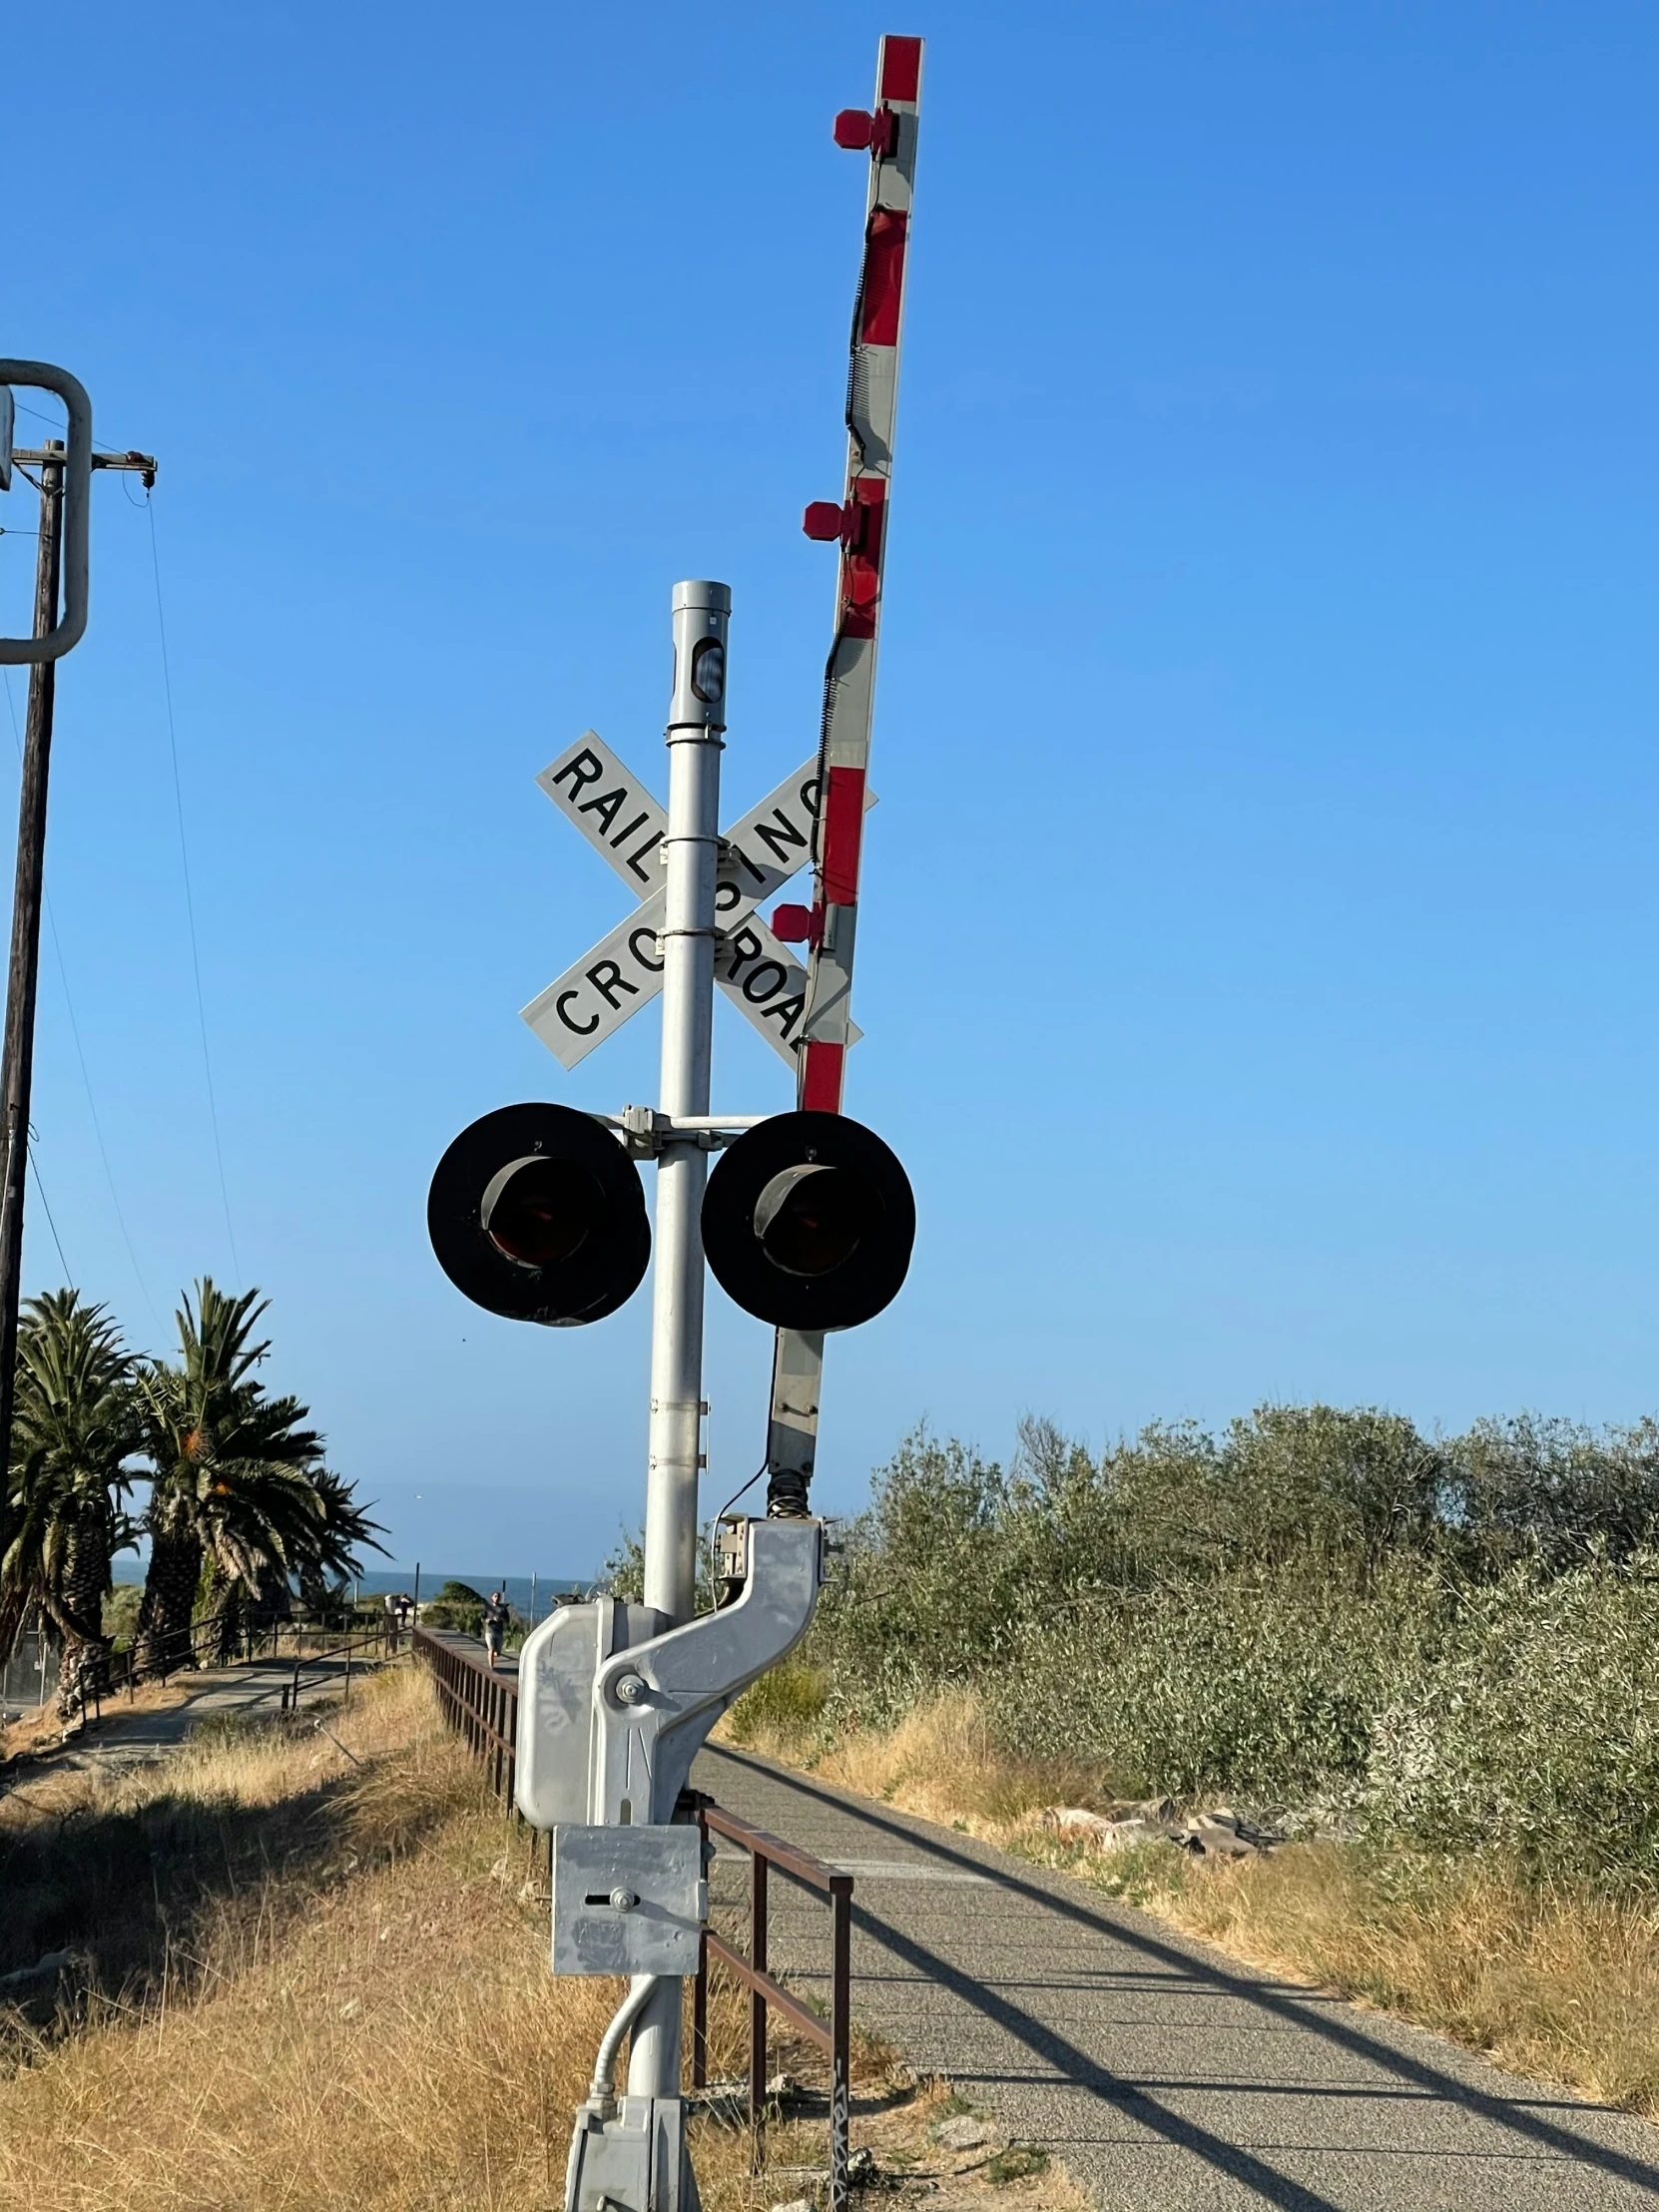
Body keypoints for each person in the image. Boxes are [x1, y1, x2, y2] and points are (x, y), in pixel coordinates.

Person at [482, 1590, 509, 1670]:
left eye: (498, 1596)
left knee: (497, 1653)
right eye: (495, 1596)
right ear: (492, 1597)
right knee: (491, 1649)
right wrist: (489, 1620)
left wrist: (500, 1619)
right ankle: (491, 1668)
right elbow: (483, 1618)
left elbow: (507, 1619)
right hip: (490, 1631)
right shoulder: (488, 1607)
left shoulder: (503, 1609)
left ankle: (491, 1654)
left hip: (499, 1632)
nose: (496, 1598)